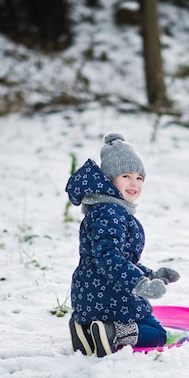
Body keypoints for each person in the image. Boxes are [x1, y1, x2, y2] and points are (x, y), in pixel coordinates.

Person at [65, 132, 180, 357]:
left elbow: (120, 259)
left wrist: (152, 274)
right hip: (111, 295)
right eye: (126, 175)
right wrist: (139, 283)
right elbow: (109, 257)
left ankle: (87, 330)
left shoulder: (104, 210)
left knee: (140, 320)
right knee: (157, 333)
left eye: (139, 178)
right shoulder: (111, 212)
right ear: (109, 180)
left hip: (87, 297)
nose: (134, 183)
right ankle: (112, 332)